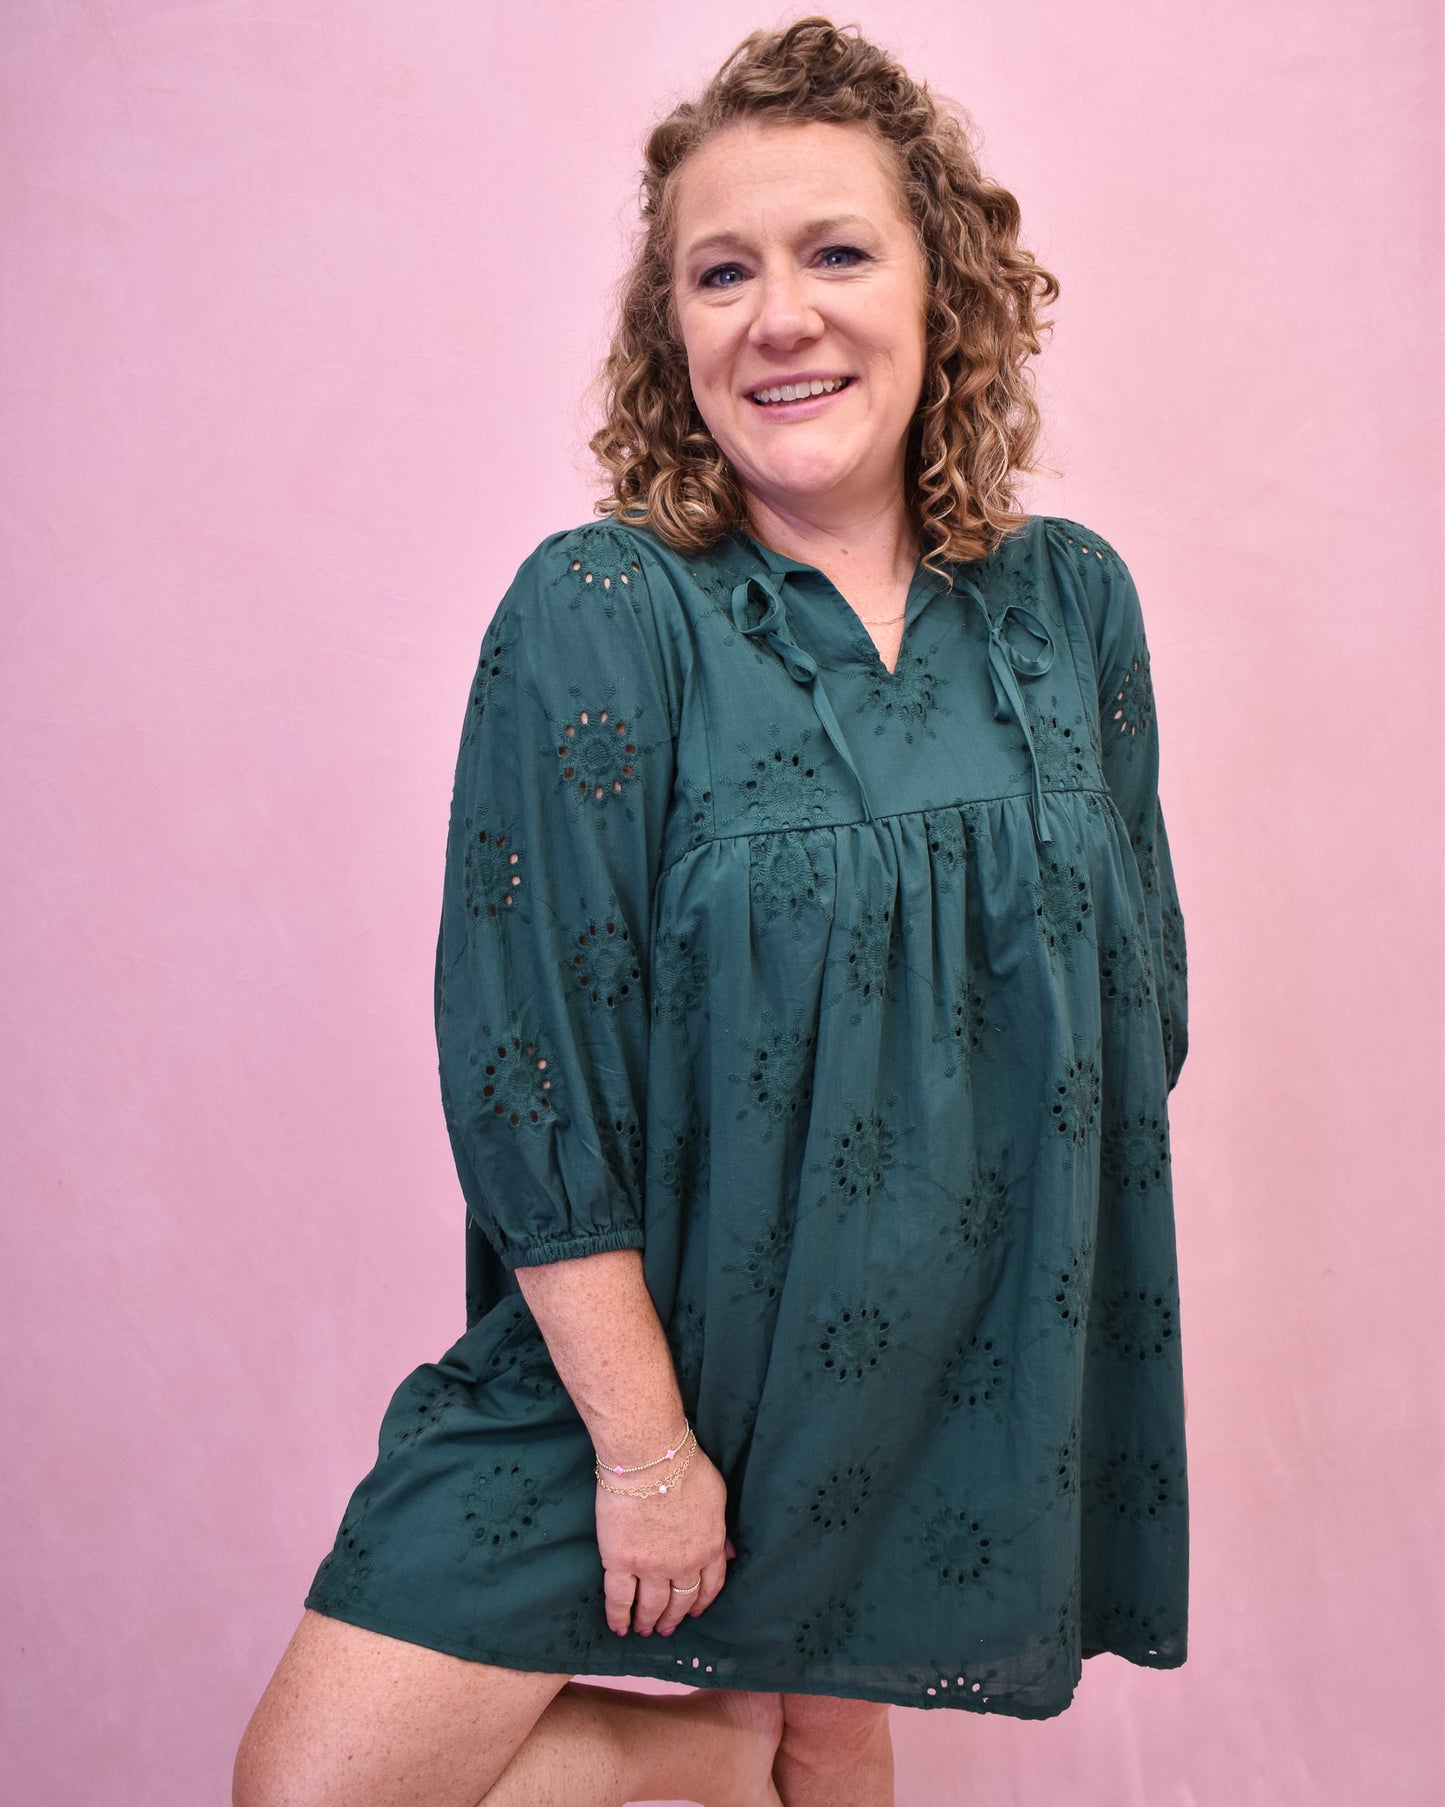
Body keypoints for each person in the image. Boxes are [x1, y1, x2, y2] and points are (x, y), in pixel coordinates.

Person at [233, 16, 1190, 1807]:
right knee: (321, 1788)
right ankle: (717, 1746)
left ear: (943, 293)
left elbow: (1139, 1005)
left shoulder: (1071, 606)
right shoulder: (607, 610)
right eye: (719, 270)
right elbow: (526, 1067)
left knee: (841, 1755)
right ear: (669, 330)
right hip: (646, 1361)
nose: (779, 314)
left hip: (930, 1362)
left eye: (837, 251)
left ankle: (771, 1728)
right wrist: (649, 1447)